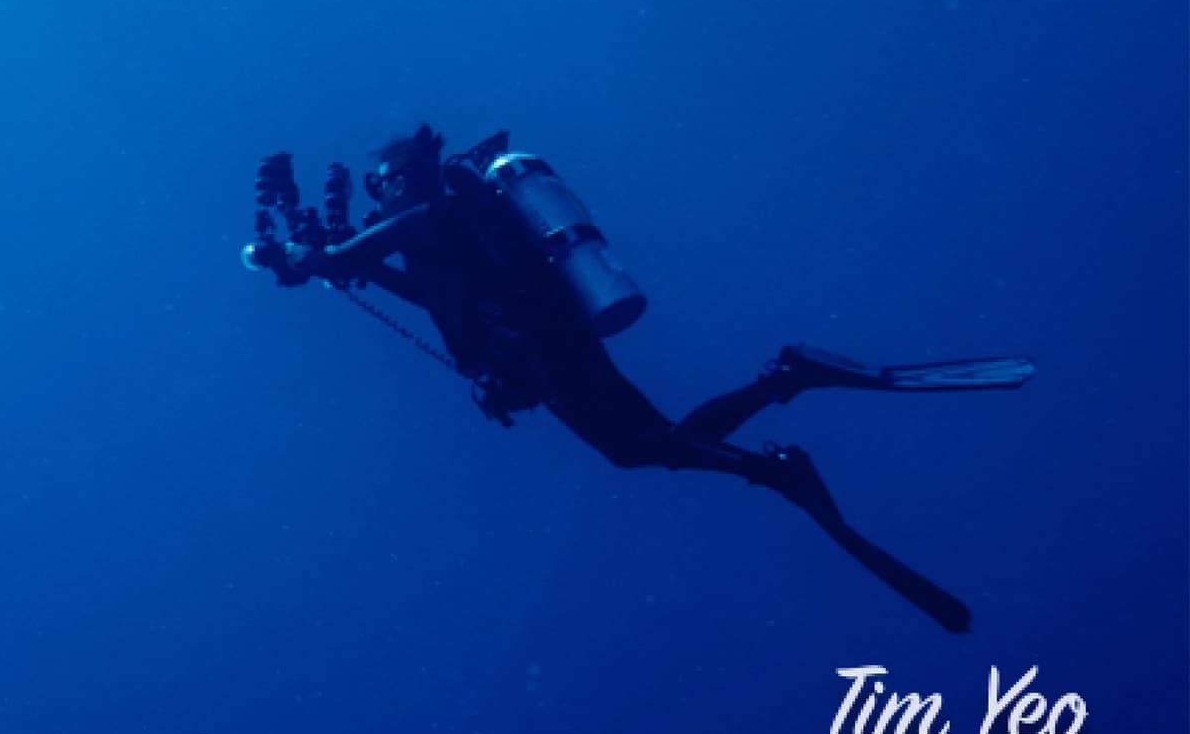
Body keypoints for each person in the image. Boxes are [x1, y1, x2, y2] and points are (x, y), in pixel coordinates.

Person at [244, 125, 1033, 632]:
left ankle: (776, 453)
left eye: (382, 184)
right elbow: (408, 289)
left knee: (643, 447)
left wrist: (308, 256)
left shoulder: (433, 216)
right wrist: (332, 261)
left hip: (550, 348)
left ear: (398, 178)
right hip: (550, 348)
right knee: (651, 443)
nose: (382, 194)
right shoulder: (432, 235)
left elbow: (353, 257)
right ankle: (782, 387)